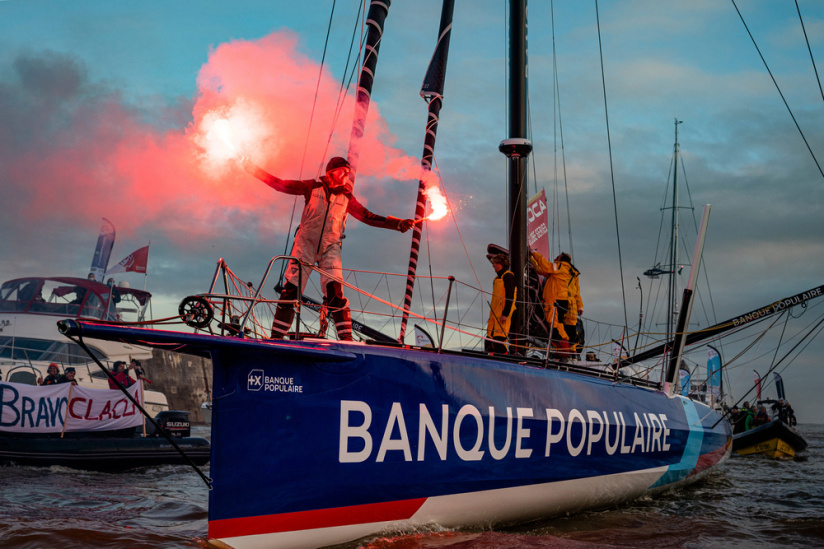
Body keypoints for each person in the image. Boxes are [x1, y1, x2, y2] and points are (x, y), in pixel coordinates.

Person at [245, 156, 414, 340]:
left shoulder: (347, 197)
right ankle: (276, 338)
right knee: (290, 293)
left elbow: (367, 216)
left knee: (335, 295)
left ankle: (346, 340)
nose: (347, 175)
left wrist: (397, 224)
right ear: (331, 172)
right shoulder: (311, 187)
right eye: (343, 171)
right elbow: (280, 184)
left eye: (349, 173)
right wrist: (254, 170)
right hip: (305, 246)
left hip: (330, 248)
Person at [530, 251, 581, 360]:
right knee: (559, 326)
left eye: (557, 257)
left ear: (561, 259)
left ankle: (564, 352)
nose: (555, 258)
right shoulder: (560, 270)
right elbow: (541, 270)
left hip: (555, 300)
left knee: (555, 326)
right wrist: (531, 260)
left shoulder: (560, 266)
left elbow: (546, 265)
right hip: (560, 301)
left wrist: (533, 253)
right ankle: (564, 351)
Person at [485, 252, 516, 354]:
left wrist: (505, 314)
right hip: (494, 316)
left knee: (499, 342)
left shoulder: (508, 276)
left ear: (500, 263)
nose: (493, 265)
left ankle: (506, 359)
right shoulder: (497, 279)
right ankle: (491, 361)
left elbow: (510, 295)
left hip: (502, 316)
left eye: (494, 263)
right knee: (489, 342)